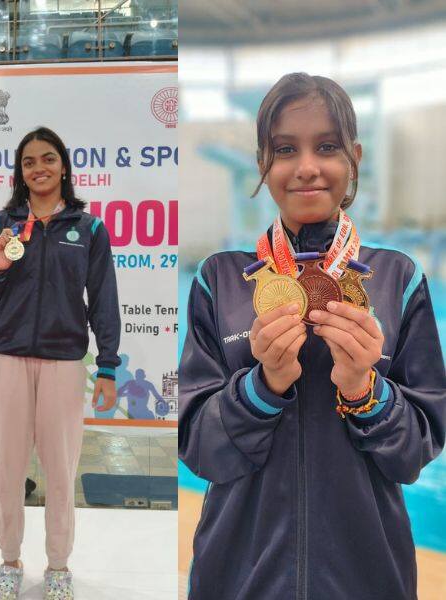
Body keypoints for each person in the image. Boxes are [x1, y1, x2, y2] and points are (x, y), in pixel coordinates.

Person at [179, 73, 446, 599]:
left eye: (326, 146)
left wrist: (364, 392)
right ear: (263, 162)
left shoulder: (398, 279)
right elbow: (198, 447)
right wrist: (263, 387)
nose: (306, 167)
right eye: (284, 149)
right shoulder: (220, 279)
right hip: (240, 576)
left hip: (366, 578)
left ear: (355, 158)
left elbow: (416, 451)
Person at [0, 126, 121, 600]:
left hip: (63, 361)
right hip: (9, 358)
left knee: (60, 469)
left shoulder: (89, 228)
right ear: (20, 171)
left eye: (48, 159)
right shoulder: (1, 224)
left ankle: (58, 565)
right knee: (8, 467)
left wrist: (109, 367)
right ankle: (10, 561)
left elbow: (104, 301)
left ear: (63, 166)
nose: (39, 168)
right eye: (29, 161)